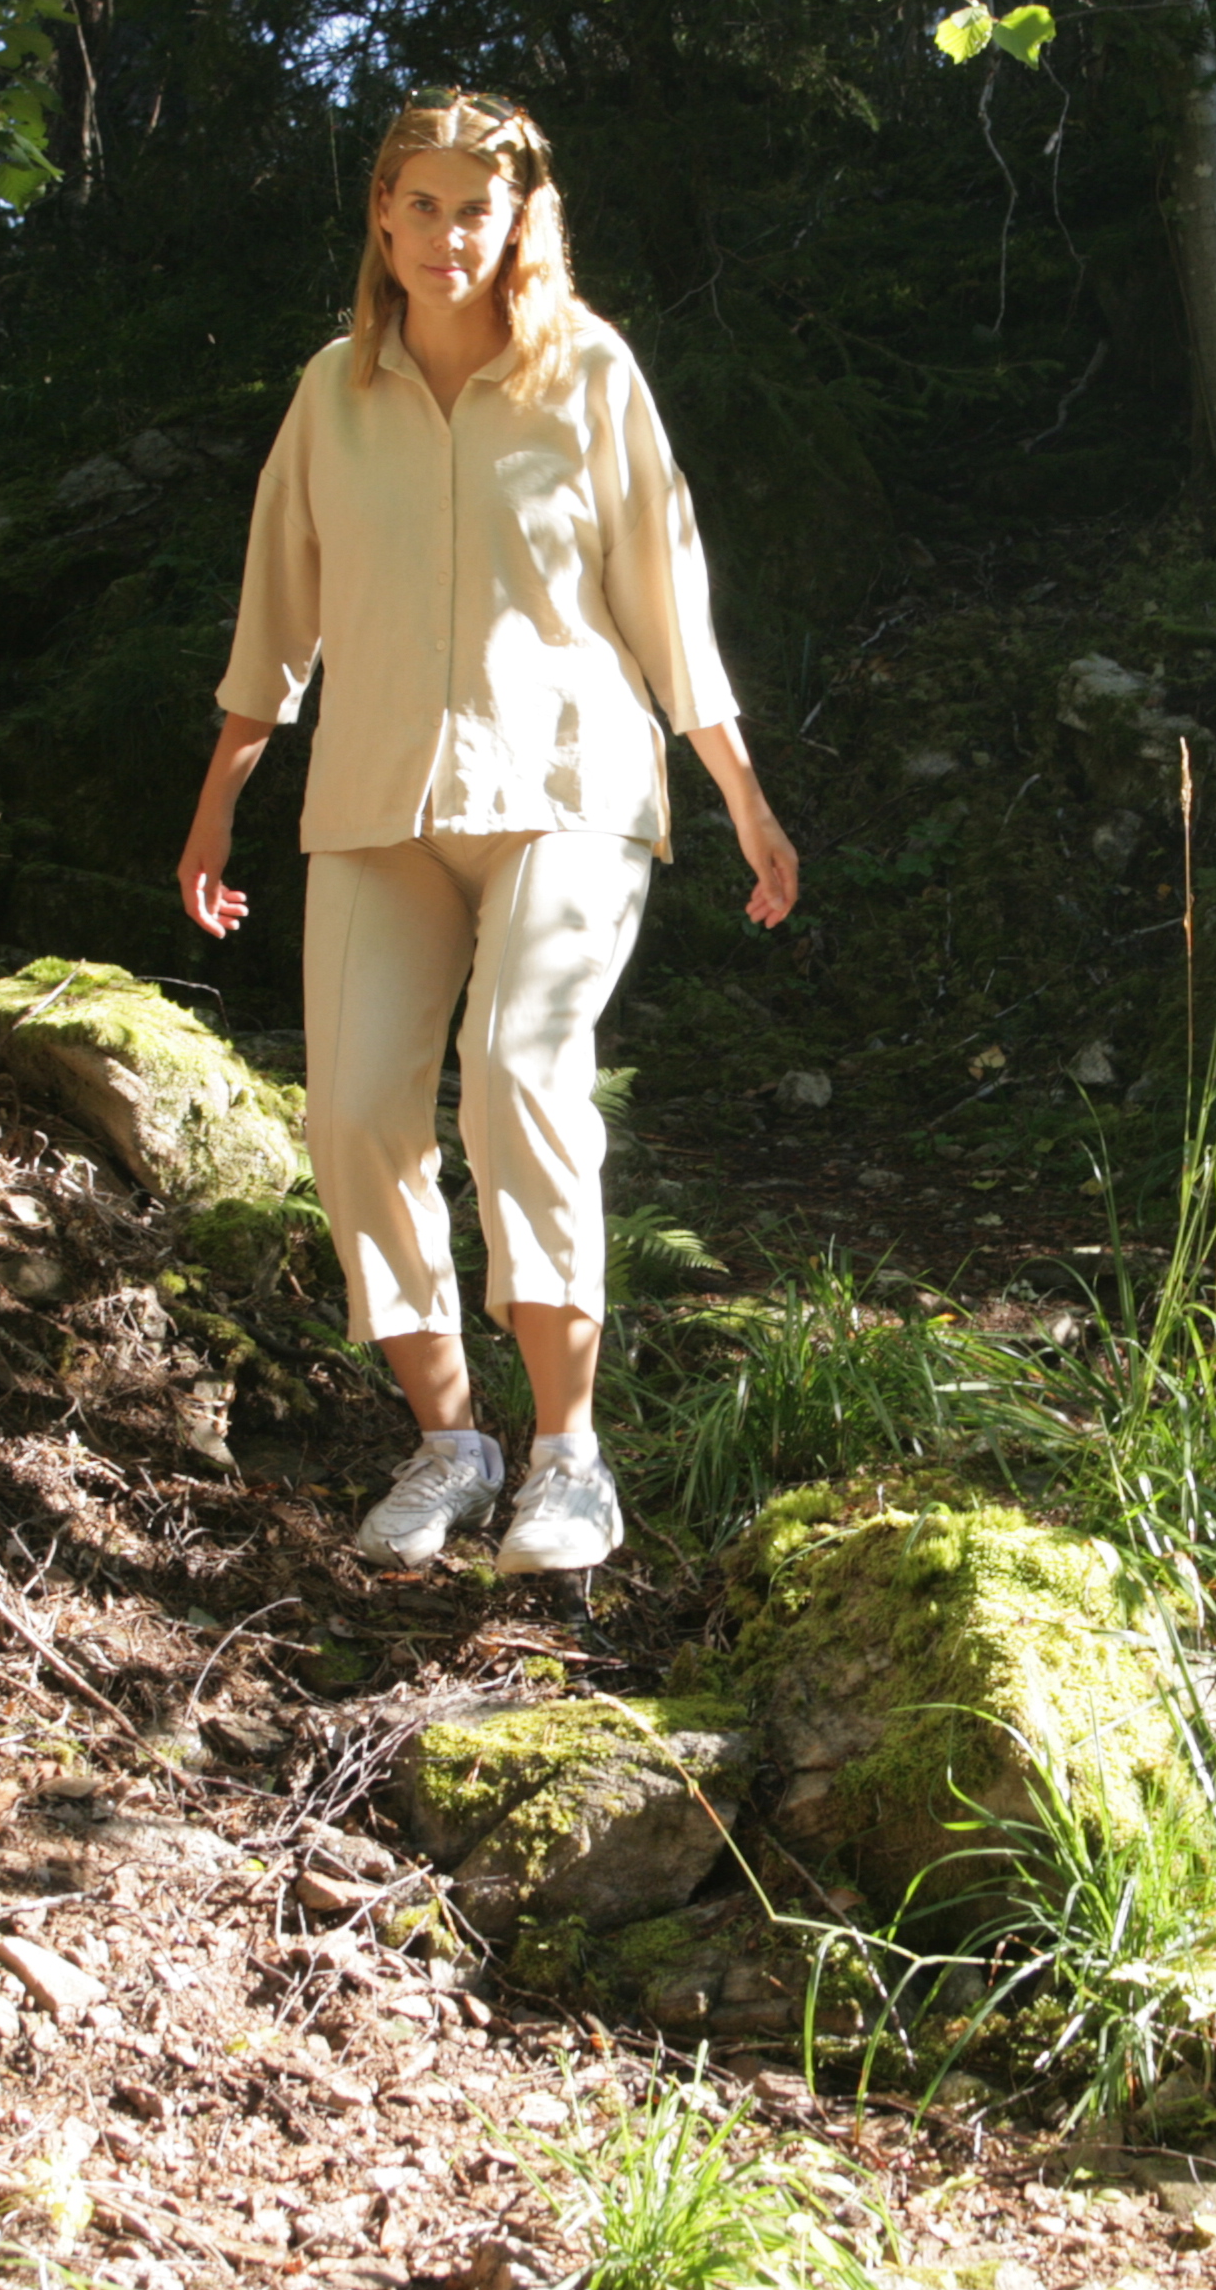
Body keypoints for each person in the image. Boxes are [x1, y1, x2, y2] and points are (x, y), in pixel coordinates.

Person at [176, 89, 799, 1574]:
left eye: (479, 206)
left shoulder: (588, 376)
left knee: (519, 1074)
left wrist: (743, 796)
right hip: (377, 801)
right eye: (423, 205)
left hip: (571, 789)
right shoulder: (332, 393)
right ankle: (451, 1442)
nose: (450, 234)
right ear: (381, 219)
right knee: (354, 1120)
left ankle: (571, 1461)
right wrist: (215, 809)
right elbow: (277, 618)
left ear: (524, 219)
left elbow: (669, 597)